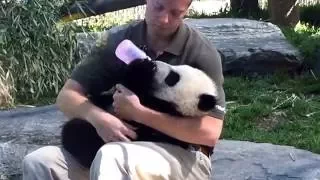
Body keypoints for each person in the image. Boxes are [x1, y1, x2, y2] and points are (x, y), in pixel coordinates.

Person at [22, 0, 226, 179]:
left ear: (187, 10)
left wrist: (139, 114)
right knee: (40, 161)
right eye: (159, 7)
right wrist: (99, 119)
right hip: (113, 149)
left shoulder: (202, 53)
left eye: (175, 13)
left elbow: (209, 133)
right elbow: (66, 97)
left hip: (182, 158)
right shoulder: (120, 40)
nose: (164, 19)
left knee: (113, 158)